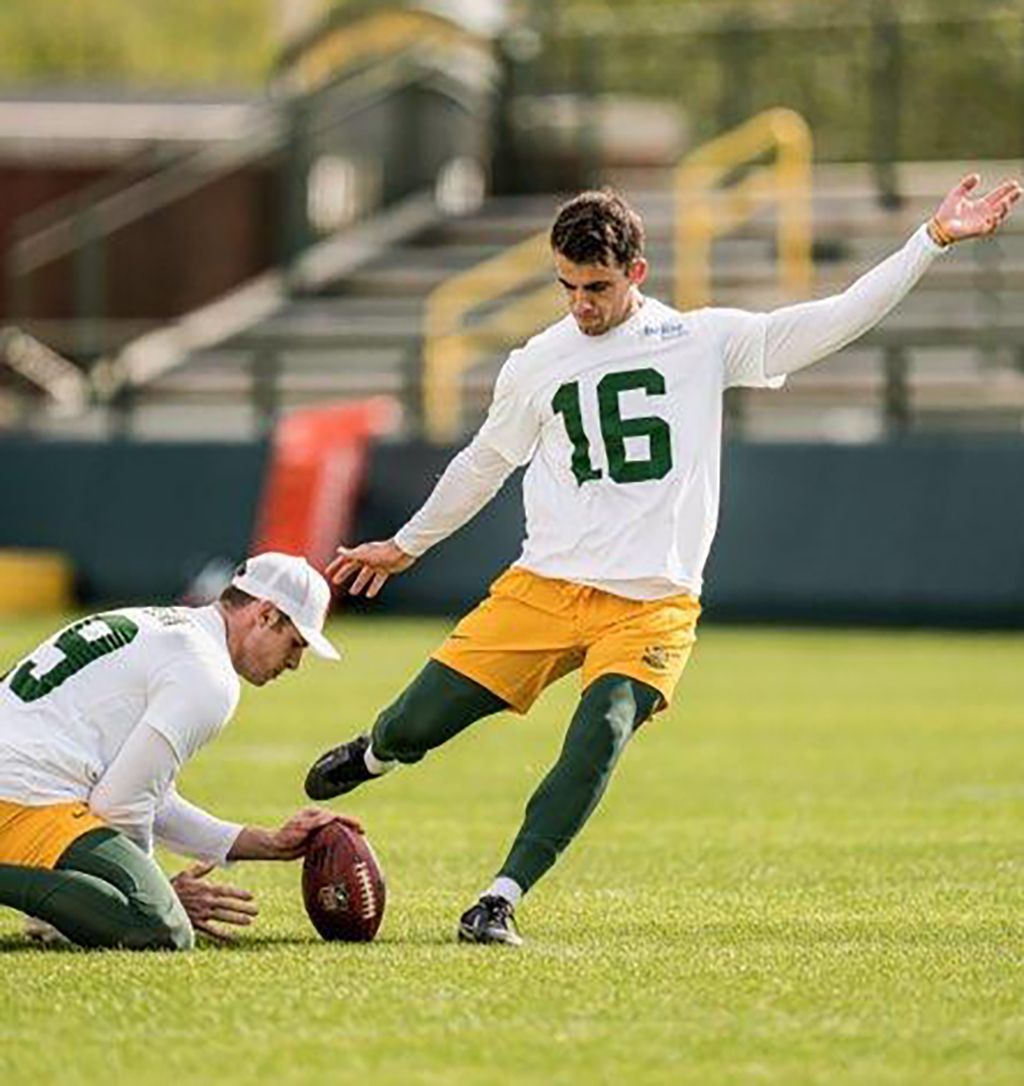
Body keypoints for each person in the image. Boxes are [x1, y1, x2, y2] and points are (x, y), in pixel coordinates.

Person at [305, 174, 1022, 946]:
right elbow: (485, 461)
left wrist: (931, 240)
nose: (581, 303)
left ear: (636, 274)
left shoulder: (700, 340)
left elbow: (833, 321)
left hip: (653, 601)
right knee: (417, 724)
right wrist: (407, 543)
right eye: (567, 285)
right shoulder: (537, 360)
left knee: (602, 731)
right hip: (545, 585)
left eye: (597, 286)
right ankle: (377, 755)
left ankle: (500, 897)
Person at [0, 551, 354, 950]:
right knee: (160, 927)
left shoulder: (166, 627)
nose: (295, 663)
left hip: (19, 784)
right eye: (296, 643)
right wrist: (152, 894)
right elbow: (124, 801)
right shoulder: (208, 674)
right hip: (20, 795)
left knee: (151, 913)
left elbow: (150, 795)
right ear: (267, 614)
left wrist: (267, 843)